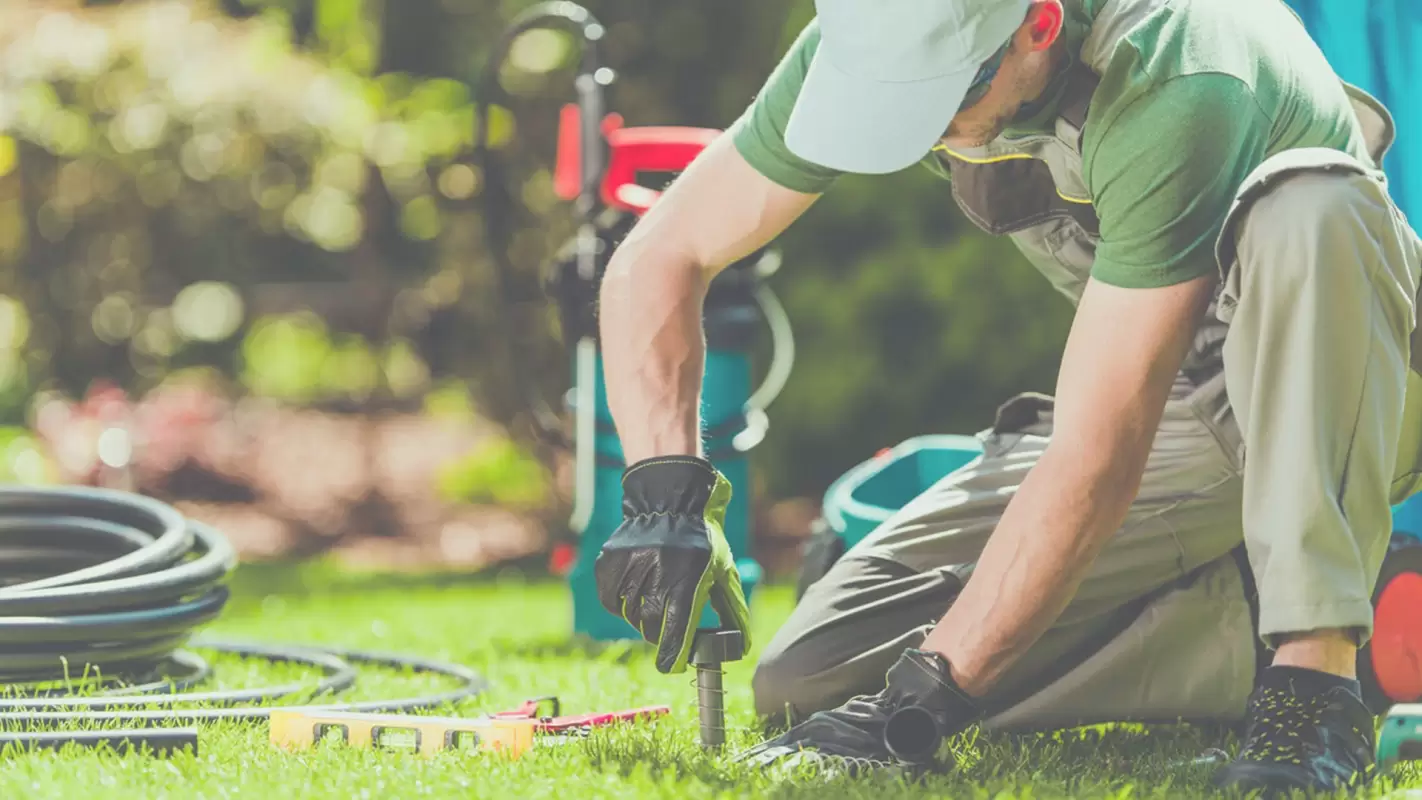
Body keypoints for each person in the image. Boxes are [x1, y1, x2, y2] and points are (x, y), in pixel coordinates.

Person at [589, 0, 1422, 793]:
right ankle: (1325, 606)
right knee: (811, 673)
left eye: (941, 97)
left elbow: (1098, 457)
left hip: (1348, 390)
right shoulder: (878, 41)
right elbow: (660, 255)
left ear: (1040, 25)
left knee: (1313, 203)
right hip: (1177, 405)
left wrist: (922, 705)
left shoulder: (1179, 72)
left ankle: (1314, 676)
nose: (917, 129)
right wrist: (664, 491)